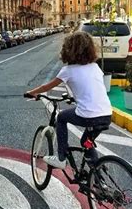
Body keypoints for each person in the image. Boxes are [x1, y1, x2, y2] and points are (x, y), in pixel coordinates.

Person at [25, 32, 112, 169]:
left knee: (61, 117)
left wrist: (32, 93)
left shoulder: (68, 70)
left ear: (68, 50)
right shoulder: (95, 67)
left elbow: (46, 87)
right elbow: (90, 89)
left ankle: (61, 158)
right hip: (106, 114)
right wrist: (75, 98)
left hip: (89, 116)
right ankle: (98, 177)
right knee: (86, 142)